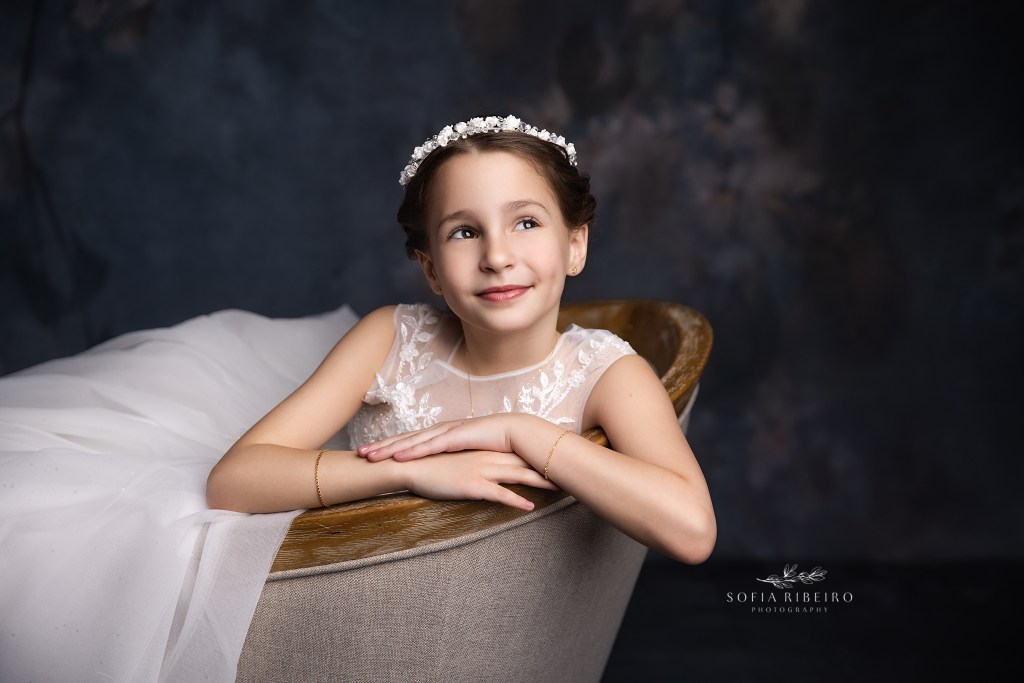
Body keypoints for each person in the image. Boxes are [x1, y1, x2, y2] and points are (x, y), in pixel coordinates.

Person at [207, 114, 716, 564]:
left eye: (526, 222)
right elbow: (233, 481)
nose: (497, 256)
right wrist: (406, 474)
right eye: (464, 232)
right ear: (430, 268)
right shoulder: (390, 339)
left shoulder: (607, 374)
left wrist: (523, 433)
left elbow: (692, 533)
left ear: (575, 245)